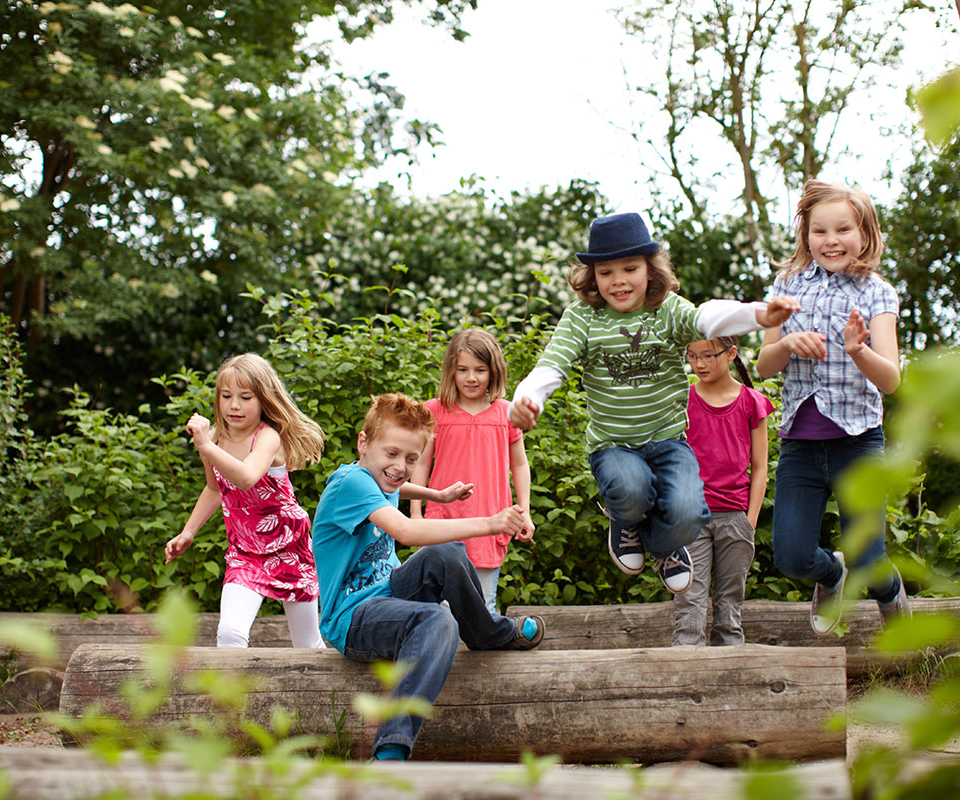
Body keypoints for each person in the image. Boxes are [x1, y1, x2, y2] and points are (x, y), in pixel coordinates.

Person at [510, 211, 798, 594]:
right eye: (606, 272)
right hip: (613, 445)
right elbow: (552, 363)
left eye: (629, 268)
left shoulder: (668, 310)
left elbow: (708, 319)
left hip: (668, 442)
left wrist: (757, 314)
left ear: (650, 269)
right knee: (631, 487)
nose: (618, 281)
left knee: (687, 513)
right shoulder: (583, 318)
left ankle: (666, 547)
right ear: (592, 277)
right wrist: (527, 398)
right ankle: (624, 519)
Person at [312, 393, 545, 762]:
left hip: (388, 594)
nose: (400, 467)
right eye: (391, 454)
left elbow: (395, 485)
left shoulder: (378, 478)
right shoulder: (351, 485)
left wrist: (437, 493)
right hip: (352, 618)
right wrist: (489, 523)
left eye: (411, 459)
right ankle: (391, 745)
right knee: (437, 619)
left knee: (447, 553)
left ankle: (489, 633)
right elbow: (406, 532)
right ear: (363, 442)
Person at [755, 179, 911, 635]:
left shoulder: (877, 292)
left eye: (843, 229)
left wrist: (858, 350)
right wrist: (787, 343)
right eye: (820, 231)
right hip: (801, 445)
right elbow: (765, 367)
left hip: (858, 443)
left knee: (869, 558)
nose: (831, 240)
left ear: (864, 232)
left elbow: (892, 378)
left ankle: (888, 590)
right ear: (806, 235)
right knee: (790, 556)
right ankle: (831, 575)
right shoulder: (786, 286)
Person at [164, 353, 325, 649]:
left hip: (290, 548)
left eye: (245, 397)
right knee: (230, 633)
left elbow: (247, 476)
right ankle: (235, 696)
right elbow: (215, 489)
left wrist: (205, 447)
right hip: (245, 552)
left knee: (307, 644)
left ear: (264, 399)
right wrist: (188, 532)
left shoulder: (268, 437)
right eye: (226, 396)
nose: (234, 405)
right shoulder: (215, 439)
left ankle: (325, 694)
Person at [409, 329, 533, 613]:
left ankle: (483, 656)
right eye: (463, 370)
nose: (471, 378)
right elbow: (421, 464)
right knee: (438, 609)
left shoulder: (507, 413)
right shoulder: (434, 412)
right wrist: (416, 514)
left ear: (494, 372)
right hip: (440, 524)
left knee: (482, 607)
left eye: (480, 370)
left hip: (490, 523)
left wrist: (523, 510)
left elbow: (520, 464)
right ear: (451, 371)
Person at [672, 336, 774, 646]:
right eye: (691, 356)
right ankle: (684, 672)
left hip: (736, 517)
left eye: (707, 355)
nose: (699, 364)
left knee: (730, 604)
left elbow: (760, 469)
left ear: (731, 354)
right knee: (689, 599)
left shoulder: (752, 403)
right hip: (691, 517)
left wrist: (750, 521)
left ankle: (730, 674)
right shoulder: (682, 400)